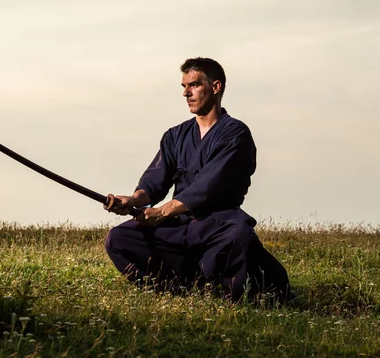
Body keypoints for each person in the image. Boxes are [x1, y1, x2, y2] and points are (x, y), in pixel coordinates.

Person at [104, 57, 290, 302]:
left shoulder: (235, 134)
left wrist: (160, 213)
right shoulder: (175, 135)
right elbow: (155, 180)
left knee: (239, 239)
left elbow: (207, 186)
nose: (186, 93)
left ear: (215, 87)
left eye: (193, 85)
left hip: (218, 223)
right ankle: (179, 290)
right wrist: (133, 199)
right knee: (119, 239)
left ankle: (235, 298)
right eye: (183, 86)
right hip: (179, 224)